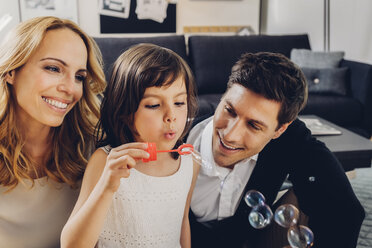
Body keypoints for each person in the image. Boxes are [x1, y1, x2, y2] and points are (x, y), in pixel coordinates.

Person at [187, 52, 365, 248]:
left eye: (254, 126)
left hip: (252, 239)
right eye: (230, 110)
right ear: (223, 97)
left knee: (321, 191)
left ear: (279, 130)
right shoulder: (175, 143)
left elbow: (348, 211)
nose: (231, 135)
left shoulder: (290, 137)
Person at [61, 43, 200, 248]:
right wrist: (107, 185)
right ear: (124, 112)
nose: (171, 116)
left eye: (179, 103)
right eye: (153, 105)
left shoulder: (190, 163)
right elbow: (71, 245)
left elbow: (182, 222)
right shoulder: (106, 162)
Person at [0, 16, 105, 247]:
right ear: (10, 71)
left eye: (79, 77)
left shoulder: (92, 148)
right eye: (53, 68)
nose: (70, 88)